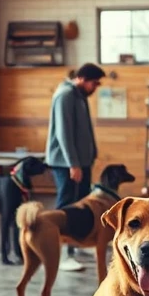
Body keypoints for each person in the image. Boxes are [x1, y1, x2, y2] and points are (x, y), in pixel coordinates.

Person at [46, 63, 104, 272]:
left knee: (81, 205)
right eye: (94, 83)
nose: (95, 88)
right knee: (66, 207)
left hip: (81, 161)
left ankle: (76, 244)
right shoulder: (65, 95)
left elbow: (85, 129)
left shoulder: (79, 96)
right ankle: (61, 255)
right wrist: (73, 164)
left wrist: (92, 153)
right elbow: (63, 133)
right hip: (67, 163)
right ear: (82, 78)